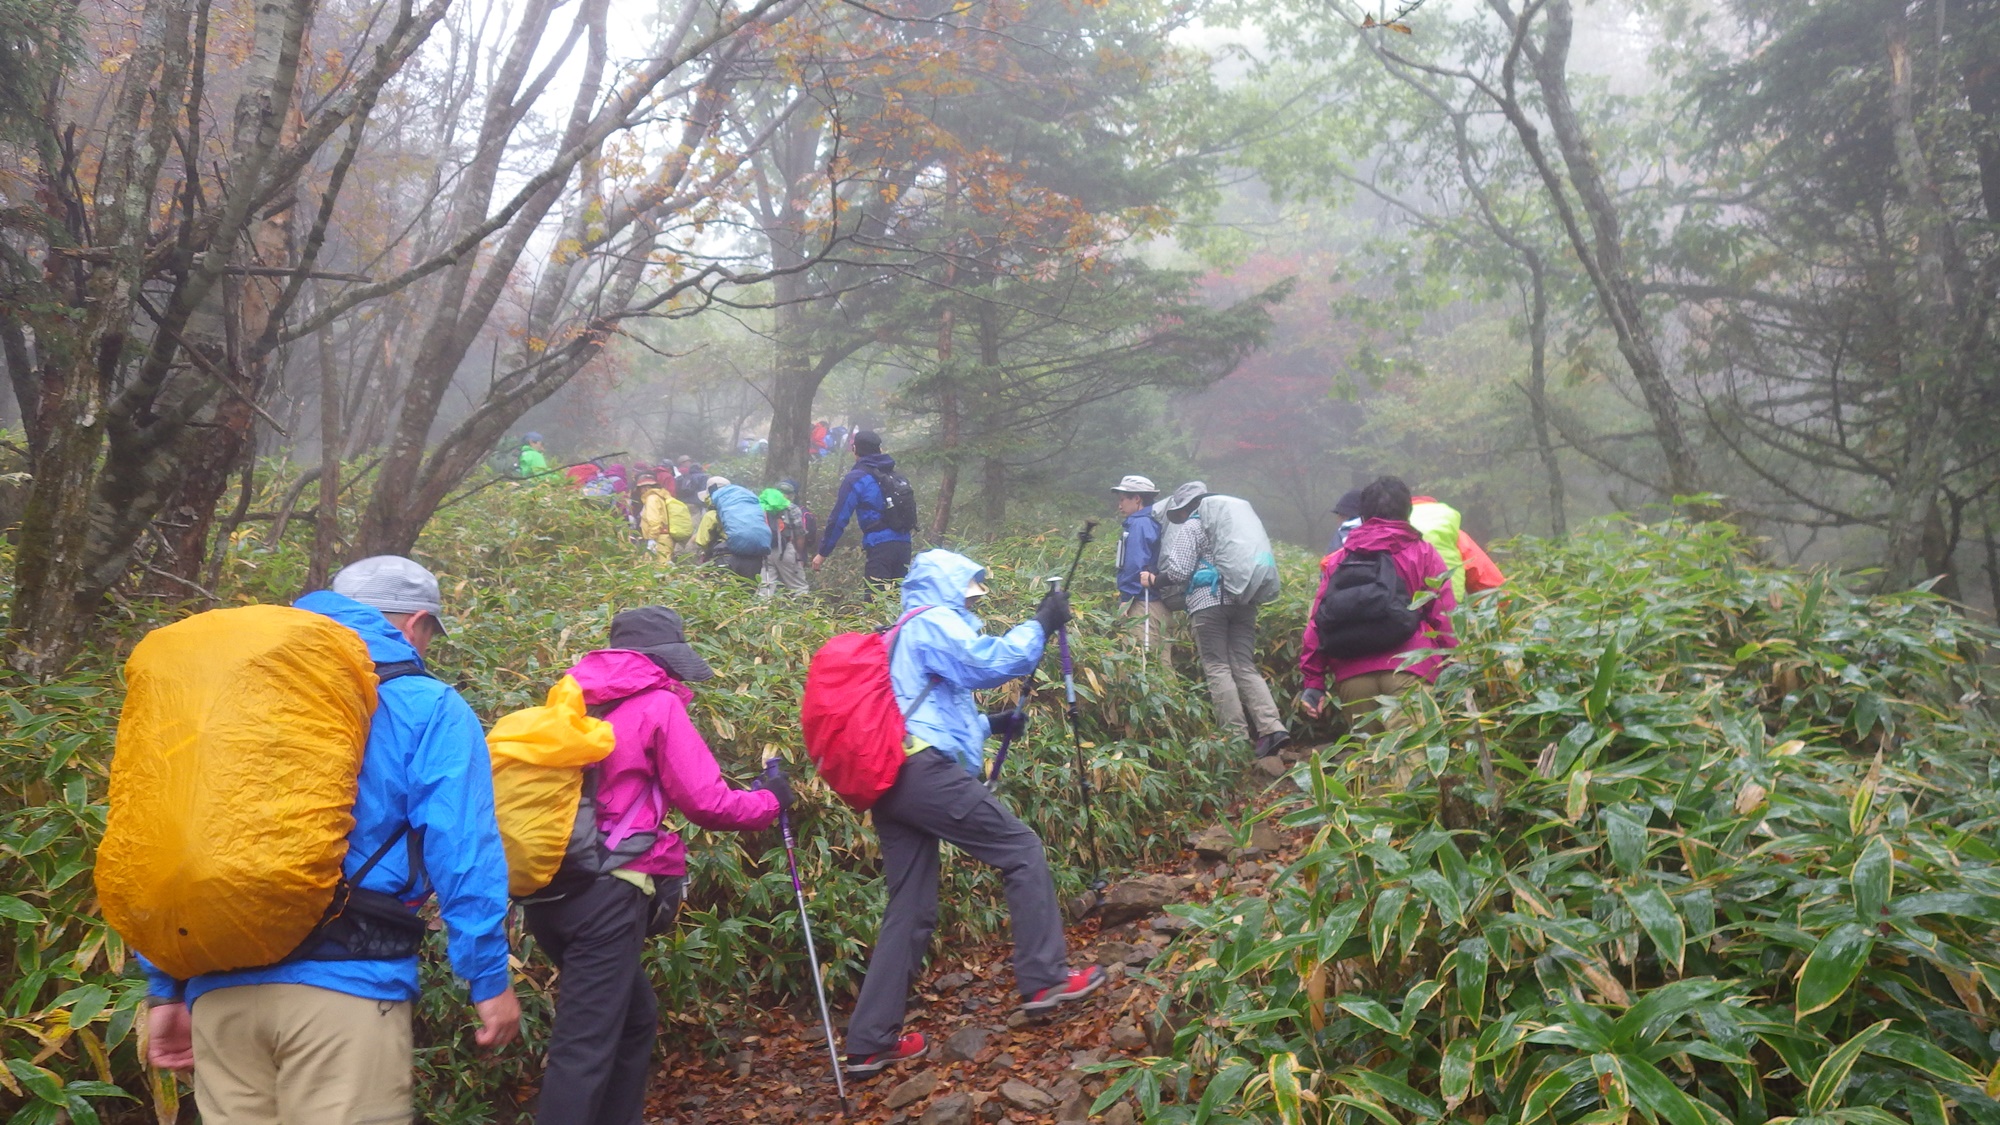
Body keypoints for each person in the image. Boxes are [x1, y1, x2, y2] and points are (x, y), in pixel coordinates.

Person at [144, 556, 521, 1122]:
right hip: (346, 986)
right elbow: (463, 849)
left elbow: (169, 833)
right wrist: (487, 977)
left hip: (217, 985)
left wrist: (165, 987)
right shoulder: (427, 705)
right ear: (415, 623)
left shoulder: (233, 692)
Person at [845, 550, 1107, 1078]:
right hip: (923, 773)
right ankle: (1046, 977)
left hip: (892, 780)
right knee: (1021, 850)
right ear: (945, 586)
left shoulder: (900, 632)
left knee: (911, 908)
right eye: (968, 588)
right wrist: (1040, 623)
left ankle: (870, 1042)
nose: (973, 598)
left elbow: (931, 705)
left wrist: (990, 724)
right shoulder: (933, 621)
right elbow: (990, 664)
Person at [525, 607, 786, 1125]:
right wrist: (770, 803)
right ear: (662, 659)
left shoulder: (568, 699)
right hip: (608, 893)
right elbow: (706, 802)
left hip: (548, 892)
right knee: (585, 1046)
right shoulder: (657, 704)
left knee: (634, 1018)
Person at [1300, 477, 1458, 733]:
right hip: (1410, 668)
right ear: (1408, 512)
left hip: (1352, 677)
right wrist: (1456, 668)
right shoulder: (1423, 552)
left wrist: (1313, 681)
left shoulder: (1338, 559)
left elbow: (1318, 621)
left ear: (1362, 516)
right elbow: (1444, 615)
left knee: (1372, 761)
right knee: (1411, 762)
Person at [1147, 482, 1290, 758]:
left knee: (1217, 667)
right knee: (1244, 665)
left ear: (1187, 507)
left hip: (1208, 604)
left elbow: (1178, 571)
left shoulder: (1193, 524)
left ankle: (1235, 738)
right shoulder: (1229, 523)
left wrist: (1154, 579)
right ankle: (1272, 728)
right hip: (1244, 600)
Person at [812, 430, 914, 596]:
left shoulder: (856, 477)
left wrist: (823, 552)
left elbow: (839, 518)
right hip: (904, 545)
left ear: (854, 449)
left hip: (879, 547)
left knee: (876, 602)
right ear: (879, 449)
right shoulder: (895, 475)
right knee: (897, 601)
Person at [1112, 475, 1171, 655]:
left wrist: (1126, 599)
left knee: (1137, 658)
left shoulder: (1139, 523)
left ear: (1137, 498)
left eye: (1123, 499)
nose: (1119, 505)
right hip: (1160, 602)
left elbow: (1135, 565)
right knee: (1161, 661)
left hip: (1143, 602)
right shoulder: (1154, 522)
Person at [1408, 494, 1507, 602]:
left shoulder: (1392, 527)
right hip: (1448, 605)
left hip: (1401, 605)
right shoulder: (1451, 532)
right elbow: (1484, 577)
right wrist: (1508, 606)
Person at [693, 476, 773, 582]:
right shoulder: (748, 510)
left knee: (726, 595)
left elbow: (702, 541)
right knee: (747, 594)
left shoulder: (712, 514)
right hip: (754, 559)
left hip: (725, 557)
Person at [758, 481, 812, 596]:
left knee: (766, 589)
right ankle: (804, 612)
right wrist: (799, 555)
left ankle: (761, 611)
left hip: (765, 551)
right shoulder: (791, 508)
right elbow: (799, 534)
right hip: (785, 549)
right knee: (799, 587)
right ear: (791, 495)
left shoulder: (762, 505)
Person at [635, 471, 694, 561]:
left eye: (640, 488)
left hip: (659, 538)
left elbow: (654, 521)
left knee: (662, 568)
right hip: (664, 538)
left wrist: (652, 539)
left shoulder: (651, 499)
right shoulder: (660, 497)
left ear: (646, 488)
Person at [1327, 488, 1365, 554]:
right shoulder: (1382, 536)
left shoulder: (1341, 535)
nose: (1337, 520)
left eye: (1341, 516)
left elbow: (1329, 561)